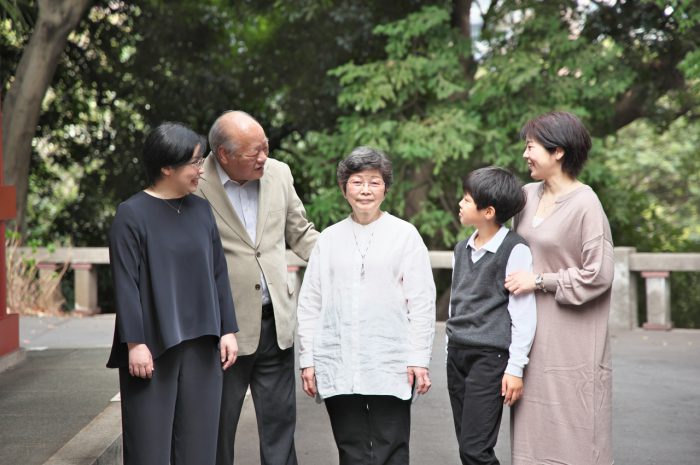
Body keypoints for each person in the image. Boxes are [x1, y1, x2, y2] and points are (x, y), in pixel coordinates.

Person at [107, 122, 239, 465]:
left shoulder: (201, 210)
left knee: (199, 448)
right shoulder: (131, 214)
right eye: (195, 163)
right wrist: (134, 343)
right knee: (148, 449)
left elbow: (218, 272)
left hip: (203, 343)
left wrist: (227, 329)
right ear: (167, 167)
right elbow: (125, 283)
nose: (201, 170)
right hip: (151, 347)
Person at [297, 146, 436, 465]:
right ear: (344, 187)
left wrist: (418, 358)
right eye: (357, 181)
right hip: (339, 357)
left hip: (389, 359)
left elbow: (422, 303)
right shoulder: (329, 240)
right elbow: (310, 304)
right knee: (350, 448)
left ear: (386, 188)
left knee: (392, 447)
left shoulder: (405, 235)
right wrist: (309, 359)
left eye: (374, 182)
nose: (365, 190)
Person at [195, 111, 318, 465]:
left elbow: (300, 234)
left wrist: (348, 257)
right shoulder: (197, 182)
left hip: (274, 323)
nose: (264, 157)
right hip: (223, 330)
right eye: (254, 152)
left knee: (280, 426)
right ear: (224, 155)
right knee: (217, 428)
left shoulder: (278, 173)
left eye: (265, 147)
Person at [504, 111, 615, 465]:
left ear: (558, 152)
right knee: (530, 422)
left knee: (575, 423)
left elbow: (599, 273)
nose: (525, 154)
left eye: (531, 146)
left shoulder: (586, 204)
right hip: (528, 330)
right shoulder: (525, 196)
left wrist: (540, 281)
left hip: (572, 338)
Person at [446, 166, 537, 465]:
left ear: (488, 211)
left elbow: (523, 314)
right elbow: (457, 301)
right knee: (466, 446)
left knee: (475, 449)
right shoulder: (462, 248)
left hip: (490, 359)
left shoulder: (514, 249)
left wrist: (515, 368)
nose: (460, 203)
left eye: (467, 199)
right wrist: (450, 346)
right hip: (458, 354)